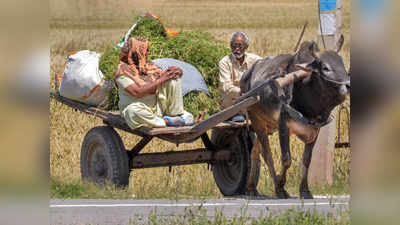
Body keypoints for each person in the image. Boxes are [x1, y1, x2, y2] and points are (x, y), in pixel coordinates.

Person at [115, 37, 189, 129]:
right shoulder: (123, 72)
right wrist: (161, 79)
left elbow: (165, 77)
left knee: (173, 79)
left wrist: (177, 72)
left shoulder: (149, 66)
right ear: (137, 52)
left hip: (157, 108)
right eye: (146, 50)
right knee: (132, 112)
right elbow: (137, 92)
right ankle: (166, 122)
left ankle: (175, 115)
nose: (148, 53)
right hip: (138, 109)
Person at [218, 31, 262, 122]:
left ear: (246, 47)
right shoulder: (225, 62)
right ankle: (238, 114)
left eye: (240, 46)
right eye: (234, 46)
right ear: (230, 46)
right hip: (232, 104)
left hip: (251, 103)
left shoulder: (255, 60)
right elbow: (226, 87)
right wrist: (245, 93)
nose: (237, 49)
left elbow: (266, 67)